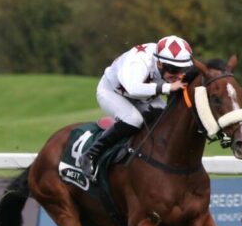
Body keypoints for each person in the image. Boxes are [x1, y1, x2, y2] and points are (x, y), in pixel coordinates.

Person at [80, 35, 194, 179]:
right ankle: (90, 154)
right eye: (173, 69)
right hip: (113, 92)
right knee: (133, 119)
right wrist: (168, 87)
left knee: (168, 121)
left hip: (144, 96)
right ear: (159, 63)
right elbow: (133, 88)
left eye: (182, 69)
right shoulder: (139, 61)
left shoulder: (168, 61)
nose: (179, 75)